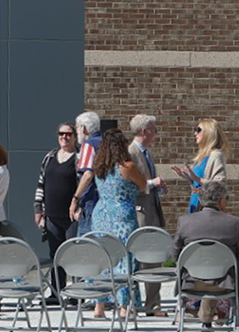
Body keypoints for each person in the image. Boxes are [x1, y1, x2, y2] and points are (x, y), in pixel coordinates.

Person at [172, 181, 239, 332]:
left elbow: (176, 255)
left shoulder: (185, 222)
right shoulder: (234, 224)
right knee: (225, 271)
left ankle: (206, 323)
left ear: (201, 200)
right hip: (224, 285)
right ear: (221, 201)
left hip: (191, 283)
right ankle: (238, 322)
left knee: (208, 270)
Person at [87, 127, 146, 318]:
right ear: (122, 145)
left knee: (103, 259)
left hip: (101, 216)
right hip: (122, 217)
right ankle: (124, 307)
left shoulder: (99, 168)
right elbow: (143, 185)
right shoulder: (127, 166)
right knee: (124, 260)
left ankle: (99, 306)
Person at [128, 113, 167, 315]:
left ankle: (153, 303)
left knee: (154, 258)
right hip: (140, 214)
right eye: (154, 129)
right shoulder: (131, 153)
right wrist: (152, 184)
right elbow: (130, 186)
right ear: (144, 131)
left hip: (151, 211)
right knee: (143, 259)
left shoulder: (146, 153)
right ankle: (143, 304)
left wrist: (157, 188)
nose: (157, 134)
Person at [33, 122, 77, 299]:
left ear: (74, 136)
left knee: (74, 253)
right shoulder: (49, 157)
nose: (64, 137)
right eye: (61, 134)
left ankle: (76, 293)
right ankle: (56, 292)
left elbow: (85, 185)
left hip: (72, 217)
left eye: (68, 134)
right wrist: (38, 209)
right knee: (55, 255)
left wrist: (78, 206)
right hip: (51, 216)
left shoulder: (80, 158)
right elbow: (41, 185)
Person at [171, 117, 227, 212]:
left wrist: (196, 178)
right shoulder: (201, 156)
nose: (195, 133)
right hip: (195, 202)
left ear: (208, 133)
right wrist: (188, 178)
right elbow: (197, 184)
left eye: (198, 130)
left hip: (206, 207)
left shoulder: (216, 155)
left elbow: (219, 183)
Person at [69, 111, 102, 233]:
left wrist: (75, 199)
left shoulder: (88, 145)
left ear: (84, 129)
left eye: (77, 127)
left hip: (90, 203)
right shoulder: (105, 143)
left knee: (86, 246)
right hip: (104, 203)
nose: (76, 131)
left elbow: (88, 175)